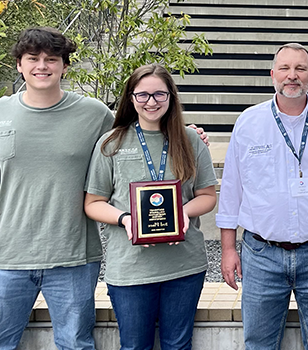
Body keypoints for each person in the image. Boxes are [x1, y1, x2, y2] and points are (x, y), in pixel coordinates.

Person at [216, 43, 308, 350]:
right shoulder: (249, 122)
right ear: (272, 74)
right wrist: (228, 249)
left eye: (300, 69)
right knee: (258, 344)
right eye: (284, 68)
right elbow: (231, 189)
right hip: (261, 255)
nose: (292, 76)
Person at [0, 27, 114, 349]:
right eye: (33, 59)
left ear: (65, 66)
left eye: (52, 59)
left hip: (74, 257)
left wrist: (188, 135)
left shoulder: (94, 114)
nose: (42, 66)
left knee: (76, 344)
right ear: (19, 65)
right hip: (8, 256)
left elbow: (137, 143)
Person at [83, 64, 218, 349]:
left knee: (178, 345)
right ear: (131, 98)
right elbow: (93, 203)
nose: (151, 102)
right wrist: (126, 219)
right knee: (135, 347)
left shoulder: (190, 140)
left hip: (184, 267)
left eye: (159, 94)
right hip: (130, 269)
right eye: (143, 95)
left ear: (171, 97)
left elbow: (207, 195)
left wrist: (182, 212)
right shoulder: (112, 143)